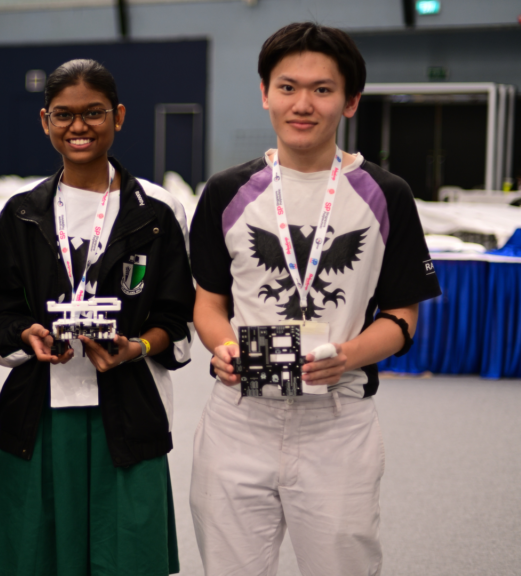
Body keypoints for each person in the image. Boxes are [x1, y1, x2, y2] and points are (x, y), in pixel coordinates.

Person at [189, 23, 443, 576]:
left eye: (323, 90)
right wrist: (224, 347)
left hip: (337, 423)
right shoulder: (227, 191)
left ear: (350, 101)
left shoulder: (386, 194)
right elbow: (208, 303)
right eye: (287, 87)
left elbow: (402, 319)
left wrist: (347, 357)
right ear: (264, 93)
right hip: (238, 420)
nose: (303, 104)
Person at [0, 59, 195, 576]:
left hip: (127, 416)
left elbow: (177, 317)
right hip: (39, 418)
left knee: (126, 558)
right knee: (30, 558)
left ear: (118, 116)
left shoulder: (158, 211)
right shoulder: (21, 212)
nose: (79, 127)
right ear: (44, 121)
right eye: (64, 115)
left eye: (94, 113)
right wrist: (25, 335)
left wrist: (137, 347)